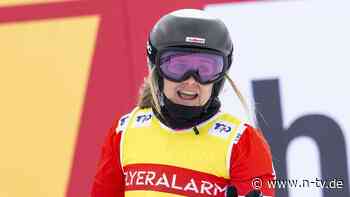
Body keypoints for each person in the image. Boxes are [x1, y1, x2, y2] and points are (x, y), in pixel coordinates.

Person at [91, 9, 275, 197]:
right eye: (178, 66)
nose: (191, 81)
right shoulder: (124, 132)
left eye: (205, 68)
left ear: (219, 77)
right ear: (157, 69)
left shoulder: (242, 143)